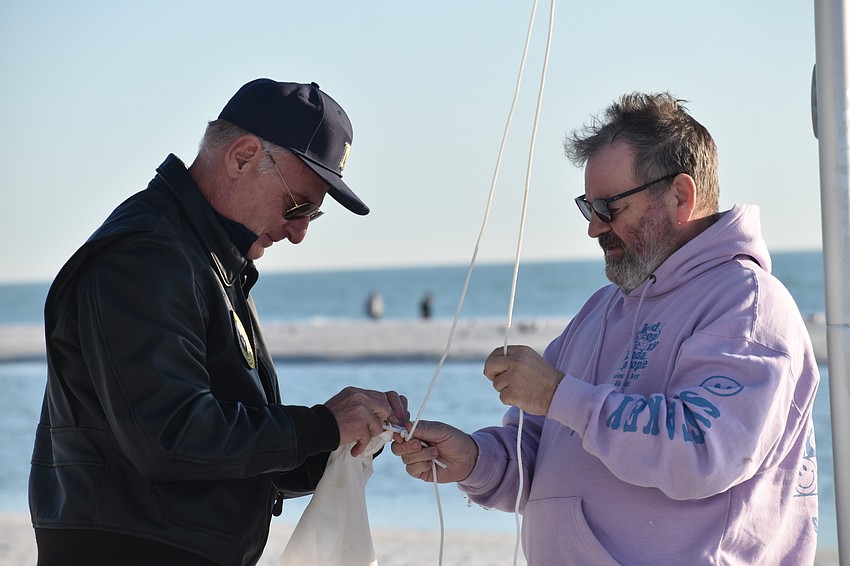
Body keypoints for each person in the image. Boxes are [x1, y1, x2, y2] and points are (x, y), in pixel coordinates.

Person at [393, 92, 820, 565]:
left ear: (682, 196)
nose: (594, 229)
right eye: (587, 208)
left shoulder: (747, 305)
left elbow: (703, 451)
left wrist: (559, 395)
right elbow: (535, 459)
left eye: (609, 207)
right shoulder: (599, 312)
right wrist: (473, 460)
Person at [29, 79, 407, 566]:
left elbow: (226, 458)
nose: (299, 234)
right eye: (299, 206)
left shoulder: (201, 258)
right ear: (243, 156)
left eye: (314, 215)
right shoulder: (148, 255)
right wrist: (318, 427)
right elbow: (169, 439)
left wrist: (342, 440)